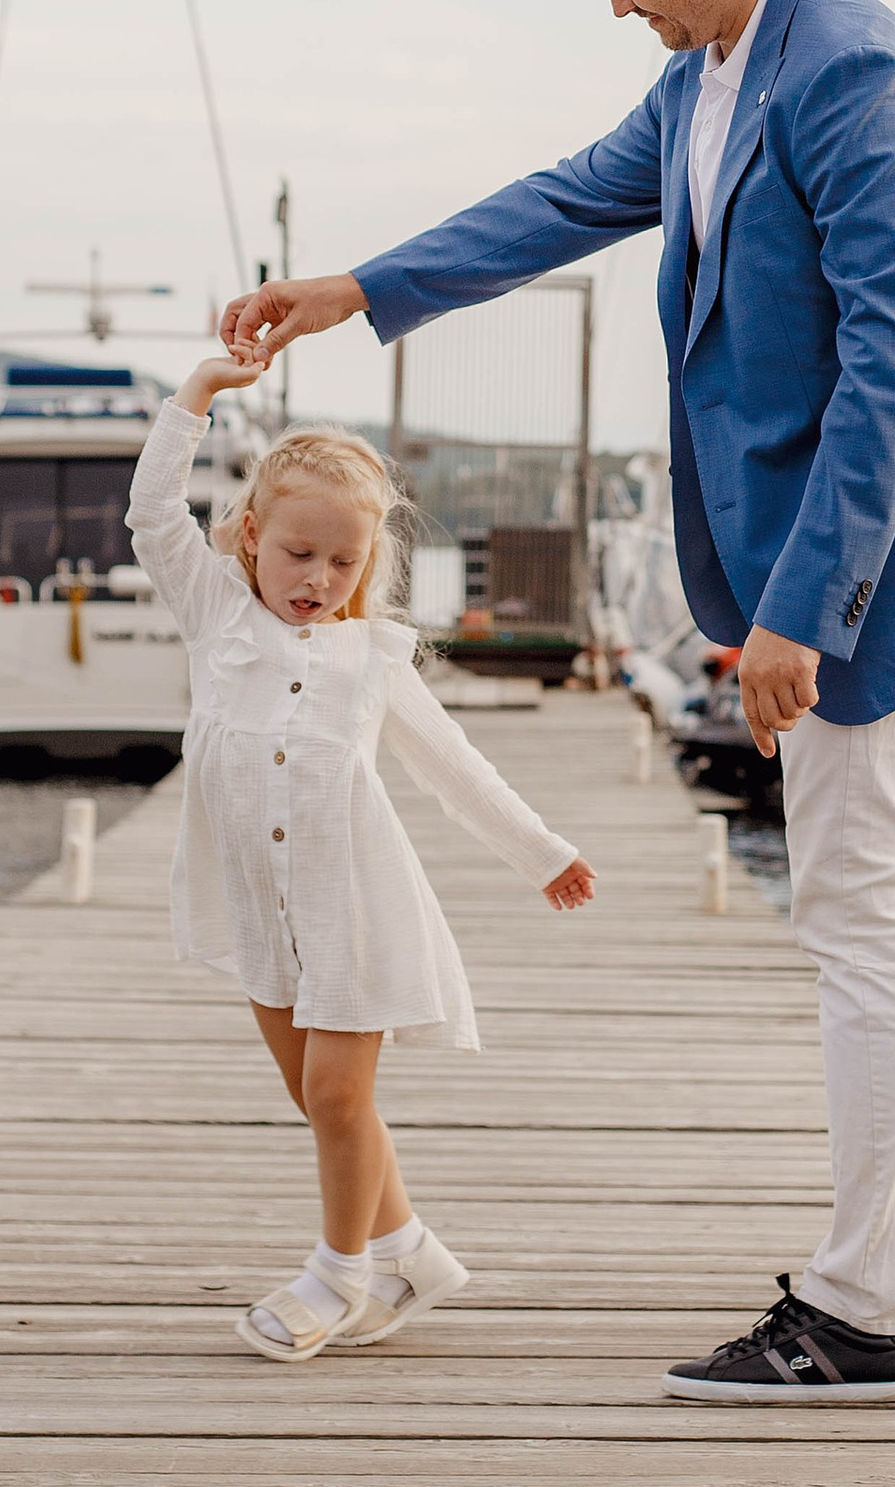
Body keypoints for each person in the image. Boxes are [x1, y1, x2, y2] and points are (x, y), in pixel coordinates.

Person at [222, 0, 895, 1404]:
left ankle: (867, 1310)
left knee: (879, 920)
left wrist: (804, 607)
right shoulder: (708, 74)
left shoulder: (858, 73)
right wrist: (358, 290)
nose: (617, 9)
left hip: (886, 559)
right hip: (874, 552)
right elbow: (562, 199)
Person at [126, 363, 596, 1362]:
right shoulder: (215, 617)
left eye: (343, 564)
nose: (318, 581)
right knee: (321, 1101)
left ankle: (337, 1277)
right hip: (261, 913)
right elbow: (150, 514)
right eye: (299, 553)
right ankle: (411, 1251)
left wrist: (540, 852)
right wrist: (196, 398)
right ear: (253, 535)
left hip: (354, 914)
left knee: (339, 1099)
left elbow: (452, 767)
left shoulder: (373, 658)